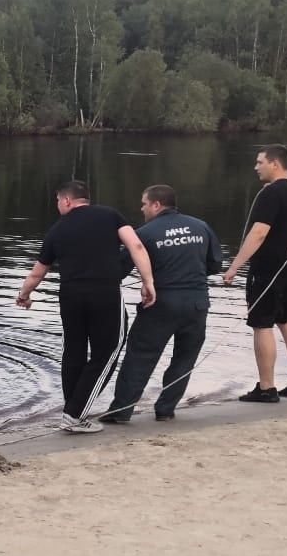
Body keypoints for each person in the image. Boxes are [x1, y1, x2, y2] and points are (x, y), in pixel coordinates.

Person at [16, 181, 156, 434]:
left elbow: (37, 273)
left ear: (67, 201)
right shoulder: (110, 215)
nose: (58, 205)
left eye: (58, 201)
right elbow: (135, 246)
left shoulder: (57, 230)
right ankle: (74, 414)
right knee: (108, 350)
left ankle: (72, 410)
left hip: (70, 295)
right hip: (104, 292)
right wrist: (148, 282)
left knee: (74, 351)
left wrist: (24, 295)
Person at [100, 185, 222, 424]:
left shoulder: (145, 233)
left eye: (144, 203)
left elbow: (121, 269)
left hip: (161, 303)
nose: (142, 208)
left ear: (156, 205)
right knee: (185, 358)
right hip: (197, 303)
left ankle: (121, 411)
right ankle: (166, 409)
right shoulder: (201, 226)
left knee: (140, 356)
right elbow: (215, 265)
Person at [223, 144, 287, 403]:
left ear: (275, 163)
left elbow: (259, 232)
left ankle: (266, 388)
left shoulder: (271, 193)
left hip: (270, 268)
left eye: (260, 162)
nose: (256, 167)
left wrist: (235, 266)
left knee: (262, 324)